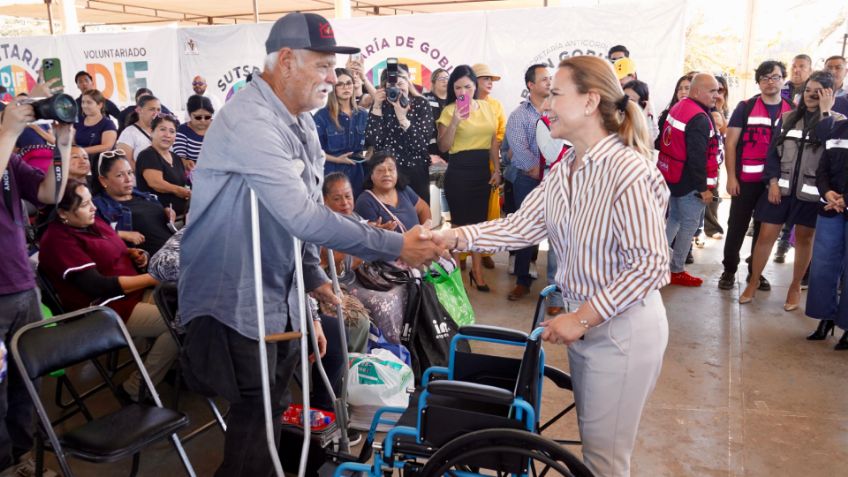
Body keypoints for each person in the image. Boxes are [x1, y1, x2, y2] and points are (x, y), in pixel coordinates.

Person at [177, 13, 444, 476]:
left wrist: (315, 277)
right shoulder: (250, 121)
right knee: (257, 409)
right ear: (285, 62)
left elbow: (299, 214)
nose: (333, 79)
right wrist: (395, 245)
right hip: (233, 296)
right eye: (321, 67)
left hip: (276, 289)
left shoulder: (300, 121)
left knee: (272, 404)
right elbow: (303, 215)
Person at [437, 55, 669, 477]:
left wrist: (581, 318)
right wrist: (452, 238)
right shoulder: (567, 168)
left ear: (589, 101)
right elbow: (520, 226)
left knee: (604, 464)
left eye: (555, 94)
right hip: (589, 326)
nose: (545, 105)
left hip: (621, 332)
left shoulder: (627, 170)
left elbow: (650, 265)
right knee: (595, 449)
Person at [39, 180, 177, 404]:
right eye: (85, 204)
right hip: (104, 309)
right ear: (63, 213)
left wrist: (132, 254)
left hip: (130, 295)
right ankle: (135, 389)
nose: (93, 207)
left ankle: (168, 365)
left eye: (91, 201)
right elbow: (97, 286)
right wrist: (152, 278)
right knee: (175, 323)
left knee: (181, 306)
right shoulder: (57, 241)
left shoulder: (91, 222)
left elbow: (111, 251)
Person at [0, 90, 72, 477]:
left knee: (26, 381)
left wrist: (62, 144)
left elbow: (50, 193)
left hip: (22, 286)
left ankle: (23, 458)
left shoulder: (9, 159)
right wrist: (10, 132)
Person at [740, 70, 838, 308]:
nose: (810, 96)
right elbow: (772, 154)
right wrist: (772, 182)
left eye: (817, 92)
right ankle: (753, 282)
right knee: (765, 236)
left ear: (829, 94)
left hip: (811, 195)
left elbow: (831, 150)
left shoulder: (837, 121)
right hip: (779, 191)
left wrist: (826, 112)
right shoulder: (788, 118)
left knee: (804, 240)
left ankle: (795, 287)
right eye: (807, 90)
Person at [718, 60, 794, 291]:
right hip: (745, 181)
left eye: (775, 77)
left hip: (774, 183)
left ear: (783, 80)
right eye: (764, 78)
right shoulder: (745, 107)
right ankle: (729, 270)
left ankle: (755, 272)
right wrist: (731, 178)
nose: (770, 82)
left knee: (764, 230)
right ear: (758, 82)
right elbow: (730, 144)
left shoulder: (791, 110)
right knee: (737, 226)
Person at [437, 64, 501, 292]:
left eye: (467, 86)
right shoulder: (448, 111)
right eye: (457, 88)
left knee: (479, 226)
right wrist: (455, 120)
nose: (463, 91)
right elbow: (443, 146)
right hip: (459, 173)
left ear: (475, 86)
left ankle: (477, 272)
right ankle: (456, 275)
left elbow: (493, 141)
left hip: (482, 172)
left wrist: (497, 169)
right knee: (458, 225)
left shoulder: (487, 107)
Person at [659, 73, 721, 286]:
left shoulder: (679, 107)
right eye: (712, 91)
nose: (717, 95)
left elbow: (661, 140)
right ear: (697, 91)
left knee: (674, 219)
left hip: (672, 176)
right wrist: (703, 189)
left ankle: (656, 263)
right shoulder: (699, 118)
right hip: (689, 183)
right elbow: (697, 158)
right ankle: (676, 269)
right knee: (689, 224)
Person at [503, 63, 553, 302]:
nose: (549, 82)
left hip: (557, 179)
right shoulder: (519, 115)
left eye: (550, 78)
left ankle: (557, 285)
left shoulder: (559, 109)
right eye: (544, 79)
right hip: (528, 179)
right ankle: (522, 280)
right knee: (526, 228)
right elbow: (519, 148)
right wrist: (538, 170)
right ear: (530, 85)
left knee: (558, 228)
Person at [805, 86, 848, 347]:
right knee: (822, 265)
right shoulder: (838, 129)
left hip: (842, 204)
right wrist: (827, 192)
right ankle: (826, 317)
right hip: (831, 206)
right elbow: (823, 167)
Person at [366, 63, 434, 203]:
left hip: (415, 171)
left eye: (400, 83)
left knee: (419, 212)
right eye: (392, 85)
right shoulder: (380, 105)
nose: (397, 88)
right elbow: (373, 141)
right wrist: (377, 106)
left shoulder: (421, 103)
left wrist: (402, 118)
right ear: (384, 87)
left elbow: (421, 145)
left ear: (407, 82)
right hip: (387, 172)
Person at [94, 151, 175, 255]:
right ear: (103, 180)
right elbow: (92, 234)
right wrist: (121, 234)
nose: (128, 179)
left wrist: (167, 213)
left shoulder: (143, 195)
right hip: (156, 258)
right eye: (119, 175)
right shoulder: (98, 205)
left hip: (176, 247)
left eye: (130, 172)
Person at [313, 67, 369, 197]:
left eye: (349, 83)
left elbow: (370, 145)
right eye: (340, 84)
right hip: (332, 176)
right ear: (333, 88)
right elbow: (314, 151)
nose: (346, 87)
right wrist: (337, 159)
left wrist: (366, 155)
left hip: (359, 176)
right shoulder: (322, 116)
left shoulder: (363, 114)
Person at [355, 151, 431, 232]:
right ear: (371, 175)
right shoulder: (365, 201)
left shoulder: (404, 190)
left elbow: (423, 208)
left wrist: (425, 231)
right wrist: (380, 233)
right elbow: (370, 235)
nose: (387, 174)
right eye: (380, 170)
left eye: (391, 169)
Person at [135, 115, 190, 217]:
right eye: (162, 129)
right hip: (157, 216)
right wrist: (178, 190)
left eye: (172, 131)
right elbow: (156, 183)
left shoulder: (176, 157)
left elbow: (183, 183)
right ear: (152, 132)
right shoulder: (148, 154)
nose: (167, 135)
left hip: (182, 215)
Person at [704, 75, 730, 239]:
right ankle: (699, 230)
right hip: (703, 158)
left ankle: (711, 228)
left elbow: (724, 131)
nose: (717, 93)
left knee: (713, 194)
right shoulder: (703, 107)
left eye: (720, 90)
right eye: (714, 89)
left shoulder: (722, 108)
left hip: (715, 161)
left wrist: (719, 108)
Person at [74, 88, 117, 174]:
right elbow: (72, 144)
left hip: (100, 168)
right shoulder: (78, 122)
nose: (84, 106)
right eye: (83, 102)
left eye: (89, 102)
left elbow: (107, 146)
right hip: (79, 166)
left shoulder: (107, 124)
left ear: (100, 105)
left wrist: (81, 151)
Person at [116, 95, 161, 167]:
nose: (156, 113)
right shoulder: (129, 133)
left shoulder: (162, 130)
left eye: (158, 110)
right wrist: (147, 173)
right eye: (152, 109)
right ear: (139, 110)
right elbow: (125, 162)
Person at [174, 95, 213, 163]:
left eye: (207, 117)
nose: (202, 120)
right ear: (190, 115)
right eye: (198, 117)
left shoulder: (218, 127)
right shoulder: (183, 130)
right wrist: (185, 162)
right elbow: (179, 155)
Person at [424, 68, 450, 162]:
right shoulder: (425, 99)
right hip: (431, 151)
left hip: (450, 151)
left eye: (447, 78)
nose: (445, 81)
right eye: (441, 78)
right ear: (433, 82)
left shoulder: (455, 101)